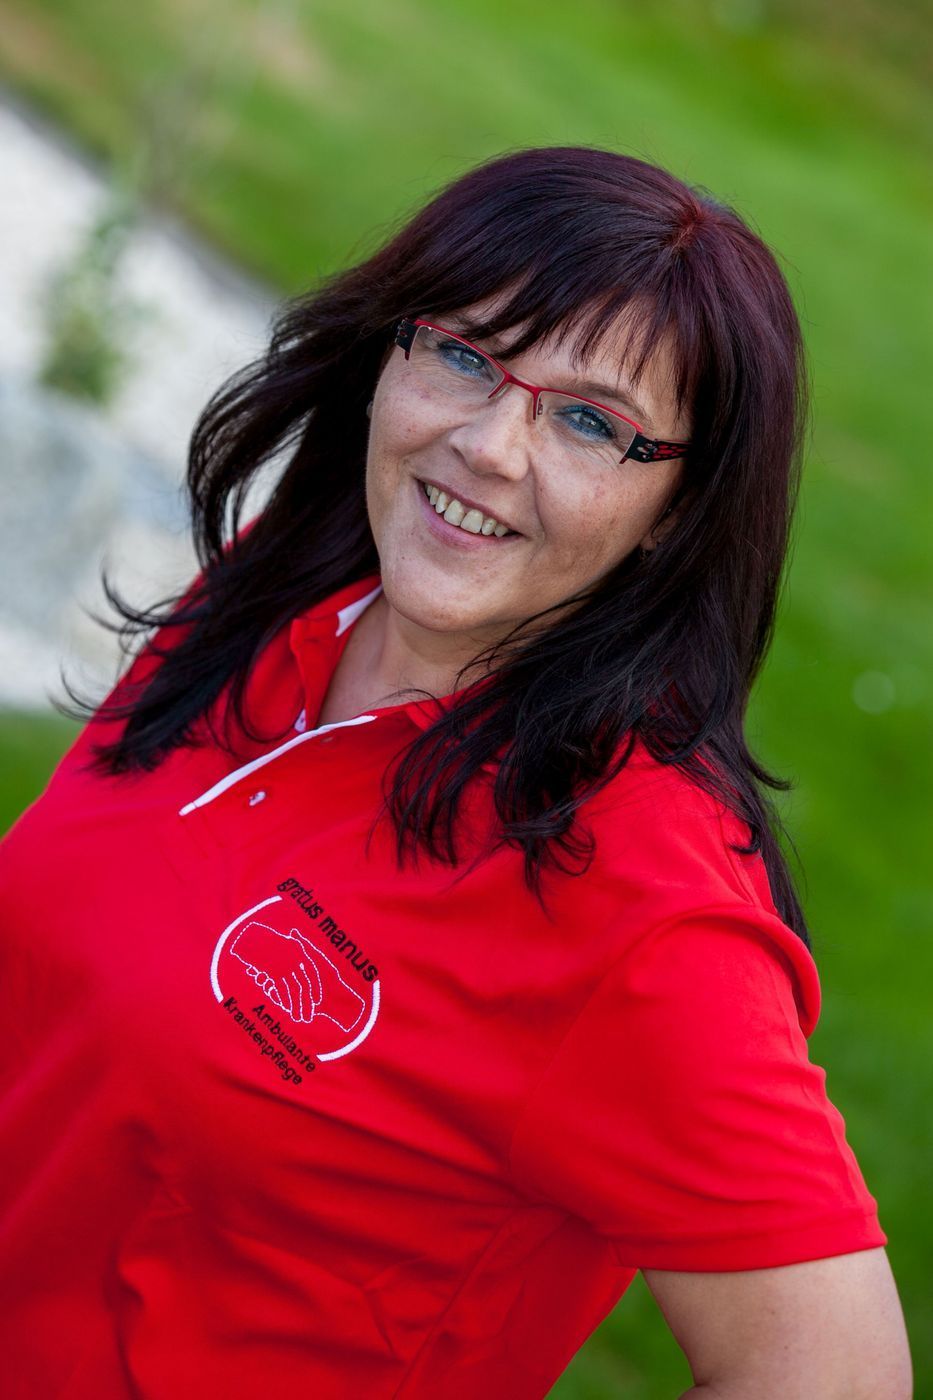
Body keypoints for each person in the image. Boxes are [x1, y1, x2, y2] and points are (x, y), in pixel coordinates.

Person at [0, 145, 911, 1399]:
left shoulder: (644, 912)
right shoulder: (291, 588)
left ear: (680, 513)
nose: (488, 444)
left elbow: (832, 1374)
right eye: (468, 353)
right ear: (390, 349)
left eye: (593, 421)